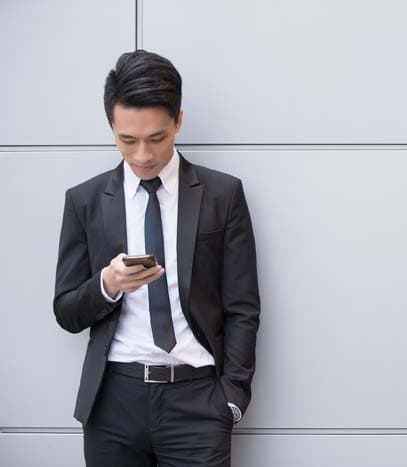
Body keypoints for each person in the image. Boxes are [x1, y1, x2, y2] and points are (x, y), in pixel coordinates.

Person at [53, 49, 260, 467]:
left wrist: (231, 399)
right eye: (127, 140)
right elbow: (66, 311)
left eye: (157, 138)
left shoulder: (223, 195)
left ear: (178, 121)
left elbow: (242, 308)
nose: (143, 155)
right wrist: (106, 286)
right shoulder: (85, 201)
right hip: (113, 401)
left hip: (197, 402)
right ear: (112, 126)